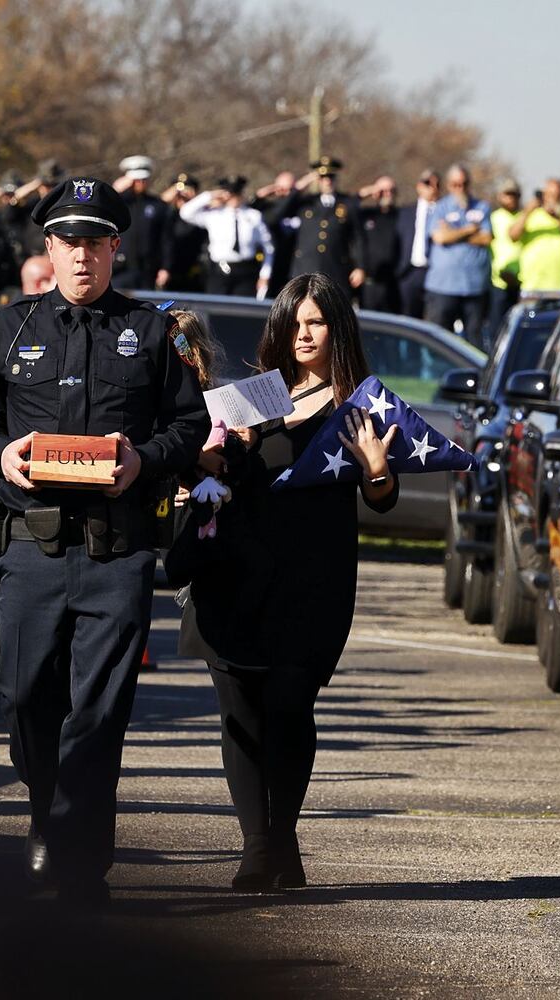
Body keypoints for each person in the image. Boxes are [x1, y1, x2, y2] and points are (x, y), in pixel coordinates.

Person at [0, 177, 209, 905]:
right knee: (25, 697)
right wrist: (0, 452)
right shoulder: (12, 326)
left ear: (114, 249)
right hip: (30, 549)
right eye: (68, 243)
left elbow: (189, 426)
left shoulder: (153, 332)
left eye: (94, 243)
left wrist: (145, 460)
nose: (81, 257)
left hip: (117, 552)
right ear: (49, 248)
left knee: (98, 712)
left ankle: (79, 859)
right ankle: (47, 818)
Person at [174, 272, 398, 893]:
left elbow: (382, 498)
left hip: (313, 583)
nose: (303, 334)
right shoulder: (250, 397)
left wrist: (376, 470)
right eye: (294, 323)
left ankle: (283, 838)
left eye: (317, 323)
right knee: (239, 713)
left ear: (338, 329)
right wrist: (217, 455)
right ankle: (257, 849)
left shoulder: (362, 403)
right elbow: (210, 470)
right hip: (235, 579)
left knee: (290, 708)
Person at [264, 156, 365, 293]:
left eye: (331, 176)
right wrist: (298, 188)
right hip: (305, 268)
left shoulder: (347, 203)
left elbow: (358, 237)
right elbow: (274, 217)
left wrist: (360, 266)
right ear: (317, 179)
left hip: (335, 268)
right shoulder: (306, 203)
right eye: (323, 177)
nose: (327, 181)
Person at [423, 164, 492, 347]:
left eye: (463, 184)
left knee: (474, 341)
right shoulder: (440, 207)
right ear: (448, 185)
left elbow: (486, 238)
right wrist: (469, 229)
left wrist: (453, 233)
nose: (459, 188)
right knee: (439, 341)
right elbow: (439, 237)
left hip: (475, 286)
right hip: (443, 286)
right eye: (455, 184)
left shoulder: (482, 207)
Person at [178, 175, 273, 298]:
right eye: (230, 193)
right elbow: (185, 212)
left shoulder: (253, 216)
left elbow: (269, 248)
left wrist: (265, 275)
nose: (233, 198)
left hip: (246, 271)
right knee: (216, 312)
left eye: (236, 193)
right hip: (219, 271)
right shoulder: (214, 215)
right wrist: (209, 195)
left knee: (243, 311)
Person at [509, 178, 560, 291]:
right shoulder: (531, 216)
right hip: (534, 287)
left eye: (556, 194)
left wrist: (557, 217)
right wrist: (527, 211)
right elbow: (513, 235)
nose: (553, 198)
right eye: (549, 194)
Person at [110, 155, 171, 291]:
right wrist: (115, 191)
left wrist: (165, 267)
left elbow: (165, 239)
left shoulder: (157, 205)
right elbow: (100, 208)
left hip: (147, 269)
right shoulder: (118, 202)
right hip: (120, 268)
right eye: (136, 180)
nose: (140, 183)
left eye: (144, 179)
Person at [396, 170, 440, 318]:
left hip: (436, 273)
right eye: (428, 183)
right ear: (419, 186)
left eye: (437, 184)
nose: (432, 187)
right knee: (408, 318)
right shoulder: (405, 212)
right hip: (410, 271)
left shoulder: (444, 211)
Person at [356, 175, 402, 312]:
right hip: (369, 285)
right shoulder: (365, 215)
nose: (387, 194)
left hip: (394, 285)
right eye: (382, 191)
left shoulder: (402, 216)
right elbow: (348, 205)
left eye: (391, 191)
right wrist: (368, 191)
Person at [486, 179, 522, 333]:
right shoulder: (493, 217)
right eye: (507, 194)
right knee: (497, 329)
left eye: (514, 195)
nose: (511, 198)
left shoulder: (523, 217)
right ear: (500, 196)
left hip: (521, 281)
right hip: (499, 281)